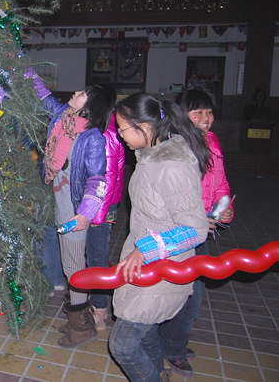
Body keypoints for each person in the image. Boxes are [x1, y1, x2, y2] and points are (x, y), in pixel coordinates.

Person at [109, 93, 211, 382]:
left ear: (145, 127)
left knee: (123, 346)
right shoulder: (150, 160)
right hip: (146, 264)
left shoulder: (171, 167)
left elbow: (194, 229)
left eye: (122, 128)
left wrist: (146, 249)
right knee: (148, 335)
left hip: (164, 268)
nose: (119, 135)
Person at [30, 72, 111, 348]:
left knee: (74, 267)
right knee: (70, 266)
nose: (76, 92)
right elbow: (44, 98)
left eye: (83, 92)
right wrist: (29, 73)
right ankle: (78, 320)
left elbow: (98, 179)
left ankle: (82, 328)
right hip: (60, 203)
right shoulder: (64, 117)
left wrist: (84, 214)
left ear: (90, 105)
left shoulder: (93, 138)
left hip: (75, 211)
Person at [157, 89, 234, 377]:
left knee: (188, 296)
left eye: (209, 112)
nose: (205, 118)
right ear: (182, 114)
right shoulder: (173, 148)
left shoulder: (211, 142)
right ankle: (172, 348)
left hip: (200, 232)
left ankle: (170, 341)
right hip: (179, 233)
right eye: (197, 112)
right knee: (187, 297)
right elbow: (165, 197)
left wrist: (224, 209)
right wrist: (197, 218)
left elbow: (221, 184)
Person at [86, 86, 125, 331]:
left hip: (101, 206)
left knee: (97, 255)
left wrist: (97, 216)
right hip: (101, 205)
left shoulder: (105, 134)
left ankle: (99, 310)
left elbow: (106, 178)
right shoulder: (104, 130)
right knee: (96, 253)